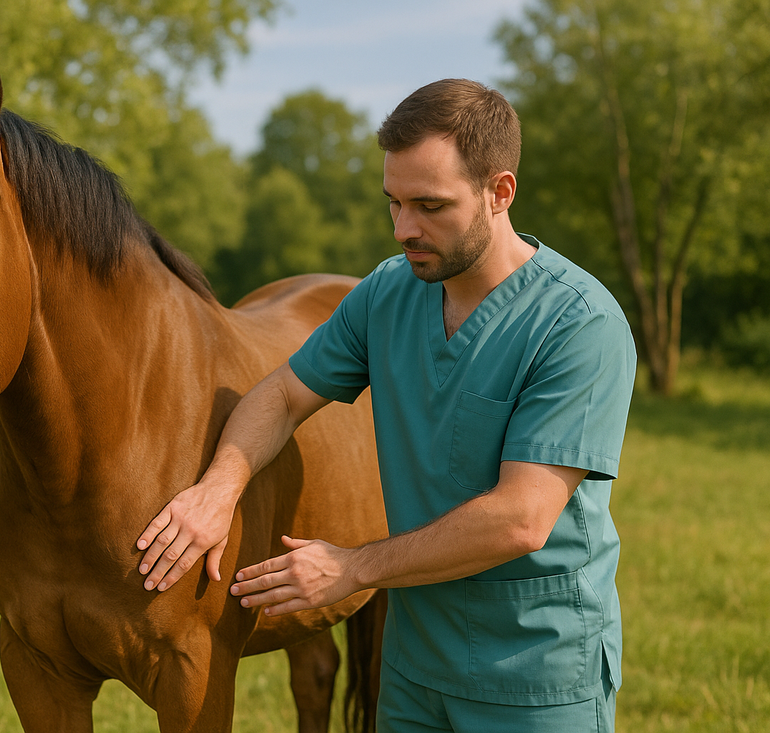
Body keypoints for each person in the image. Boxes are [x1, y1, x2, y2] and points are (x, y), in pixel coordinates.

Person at [136, 78, 636, 732]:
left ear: (500, 192)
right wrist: (218, 488)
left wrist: (352, 567)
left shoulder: (578, 323)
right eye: (393, 203)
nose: (405, 229)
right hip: (413, 670)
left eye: (430, 205)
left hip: (535, 673)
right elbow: (283, 393)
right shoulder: (387, 295)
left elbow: (520, 519)